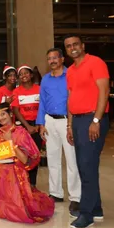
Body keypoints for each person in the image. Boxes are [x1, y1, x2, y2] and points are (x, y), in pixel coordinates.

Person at [0, 103, 54, 224]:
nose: (0, 118)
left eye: (3, 114)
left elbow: (25, 160)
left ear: (10, 114)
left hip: (15, 174)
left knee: (21, 207)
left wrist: (11, 142)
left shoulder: (21, 133)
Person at [64, 34, 110, 228]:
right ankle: (96, 208)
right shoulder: (71, 71)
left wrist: (96, 120)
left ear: (82, 46)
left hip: (92, 119)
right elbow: (71, 97)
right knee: (86, 166)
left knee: (86, 166)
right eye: (68, 46)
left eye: (75, 44)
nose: (73, 48)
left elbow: (104, 92)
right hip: (77, 121)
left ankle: (87, 213)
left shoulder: (96, 62)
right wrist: (69, 125)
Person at [37, 48, 81, 214]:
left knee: (71, 159)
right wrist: (41, 123)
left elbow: (74, 99)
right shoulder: (46, 79)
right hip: (49, 121)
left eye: (55, 57)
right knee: (53, 159)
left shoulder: (71, 75)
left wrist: (71, 124)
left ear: (62, 59)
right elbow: (42, 101)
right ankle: (55, 193)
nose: (52, 61)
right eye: (49, 58)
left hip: (67, 121)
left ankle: (76, 197)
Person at [11, 64, 42, 187]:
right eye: (21, 74)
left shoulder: (39, 89)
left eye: (26, 73)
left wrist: (39, 124)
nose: (24, 75)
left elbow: (42, 108)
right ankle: (23, 182)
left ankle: (32, 183)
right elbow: (16, 110)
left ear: (31, 75)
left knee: (35, 155)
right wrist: (27, 127)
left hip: (38, 124)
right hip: (23, 126)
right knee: (22, 155)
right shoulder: (16, 91)